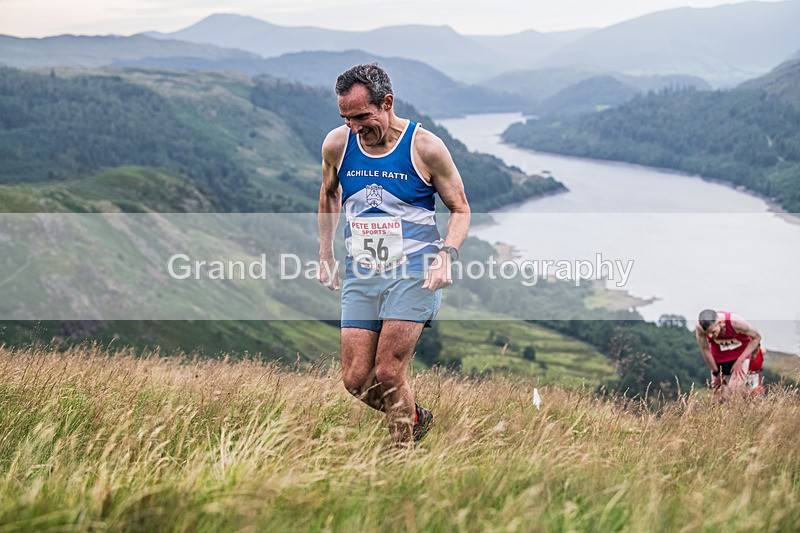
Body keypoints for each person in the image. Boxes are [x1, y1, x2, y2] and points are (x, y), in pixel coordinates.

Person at [317, 63, 470, 445]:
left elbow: (461, 209)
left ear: (387, 103)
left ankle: (401, 456)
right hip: (362, 271)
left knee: (388, 372)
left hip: (415, 271)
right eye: (346, 118)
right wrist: (325, 252)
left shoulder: (425, 148)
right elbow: (329, 194)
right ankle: (415, 417)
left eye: (362, 117)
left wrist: (446, 255)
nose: (354, 127)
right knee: (355, 380)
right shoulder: (337, 144)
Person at [695, 309, 765, 401]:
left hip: (739, 355)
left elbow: (757, 337)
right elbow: (705, 349)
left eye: (713, 332)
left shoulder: (736, 322)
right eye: (708, 333)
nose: (711, 336)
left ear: (720, 323)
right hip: (718, 358)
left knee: (733, 391)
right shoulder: (700, 327)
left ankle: (740, 407)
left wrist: (740, 360)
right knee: (719, 396)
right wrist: (716, 372)